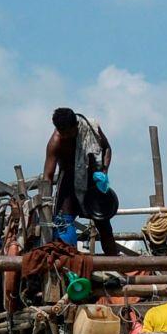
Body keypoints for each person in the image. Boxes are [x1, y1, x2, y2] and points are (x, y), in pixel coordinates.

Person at [43, 107, 123, 254]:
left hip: (92, 181)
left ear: (75, 126)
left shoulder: (90, 129)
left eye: (68, 132)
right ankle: (69, 270)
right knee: (63, 224)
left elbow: (107, 148)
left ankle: (115, 266)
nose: (66, 135)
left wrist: (104, 172)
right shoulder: (56, 142)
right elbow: (47, 176)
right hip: (68, 184)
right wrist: (46, 203)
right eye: (62, 132)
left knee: (104, 225)